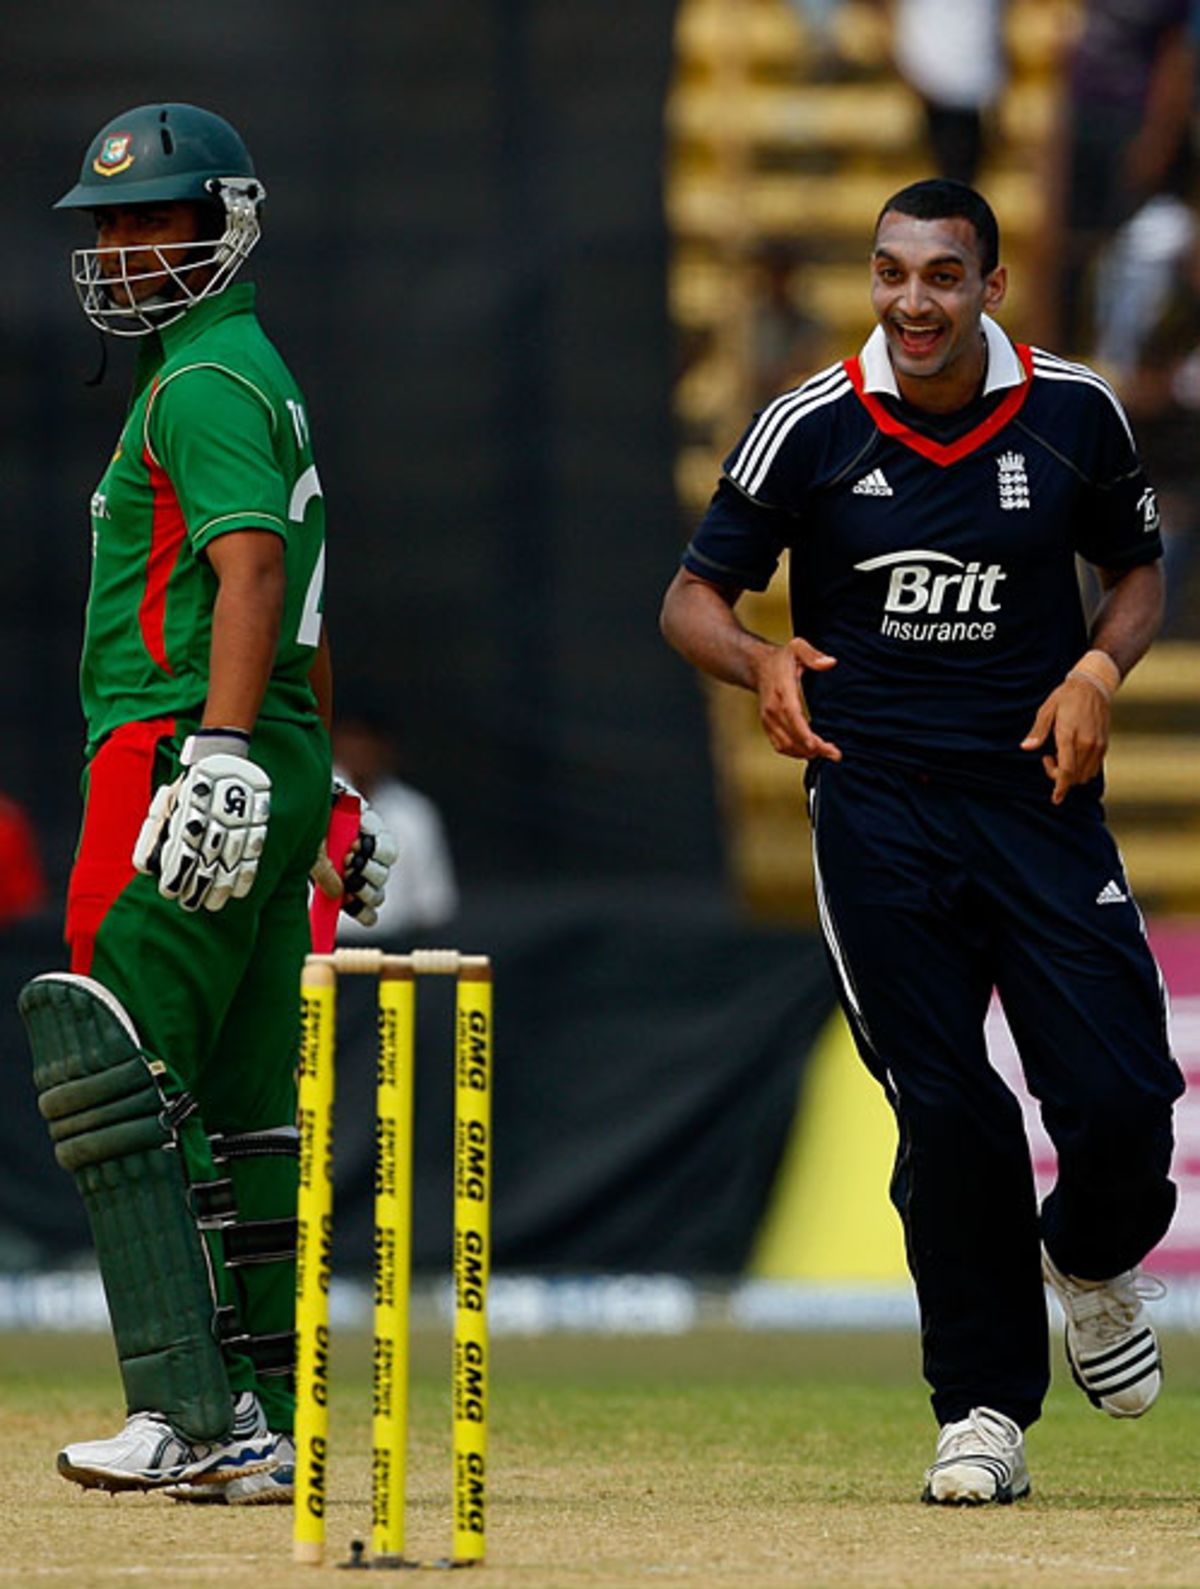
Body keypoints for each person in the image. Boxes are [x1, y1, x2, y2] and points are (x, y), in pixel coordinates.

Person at [661, 178, 1183, 1505]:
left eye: (942, 276)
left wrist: (1098, 678)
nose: (911, 302)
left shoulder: (1071, 413)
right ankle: (984, 1410)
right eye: (892, 274)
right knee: (949, 1110)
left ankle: (1090, 1257)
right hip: (876, 806)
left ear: (991, 288)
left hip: (1040, 803)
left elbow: (1135, 574)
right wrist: (761, 660)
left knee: (1124, 1101)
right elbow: (690, 600)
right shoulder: (811, 425)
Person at [18, 103, 394, 1505]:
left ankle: (182, 1403)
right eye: (105, 224)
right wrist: (315, 775)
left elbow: (248, 577)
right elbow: (307, 592)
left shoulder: (198, 384)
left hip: (179, 745)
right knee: (245, 1108)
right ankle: (268, 1413)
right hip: (266, 746)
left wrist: (221, 752)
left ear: (222, 222)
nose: (118, 249)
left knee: (117, 1074)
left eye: (148, 219)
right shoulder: (247, 370)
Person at [332, 711, 459, 940]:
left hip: (393, 953)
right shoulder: (311, 804)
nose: (361, 751)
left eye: (369, 742)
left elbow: (433, 906)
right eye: (354, 739)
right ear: (337, 743)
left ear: (386, 748)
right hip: (317, 956)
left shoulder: (415, 814)